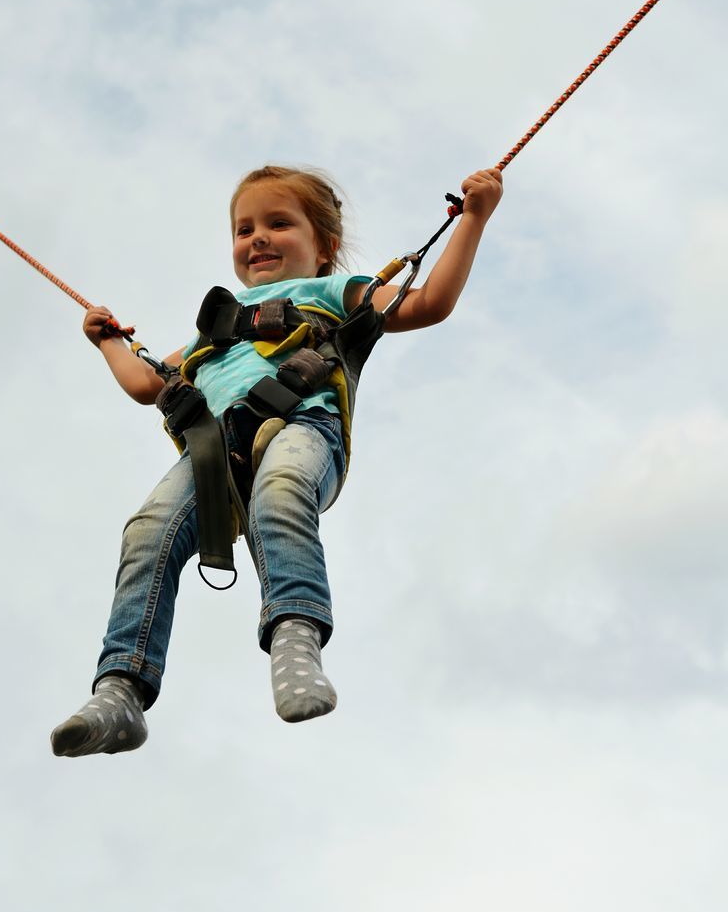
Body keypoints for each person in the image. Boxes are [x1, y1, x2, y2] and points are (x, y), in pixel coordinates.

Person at [50, 163, 503, 756]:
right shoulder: (214, 329)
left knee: (283, 490)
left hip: (302, 423)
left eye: (278, 223)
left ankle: (295, 635)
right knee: (146, 533)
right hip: (213, 450)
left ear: (324, 249)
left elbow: (430, 303)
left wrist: (474, 218)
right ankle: (121, 688)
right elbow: (145, 382)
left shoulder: (337, 293)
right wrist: (108, 340)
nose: (257, 238)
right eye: (244, 230)